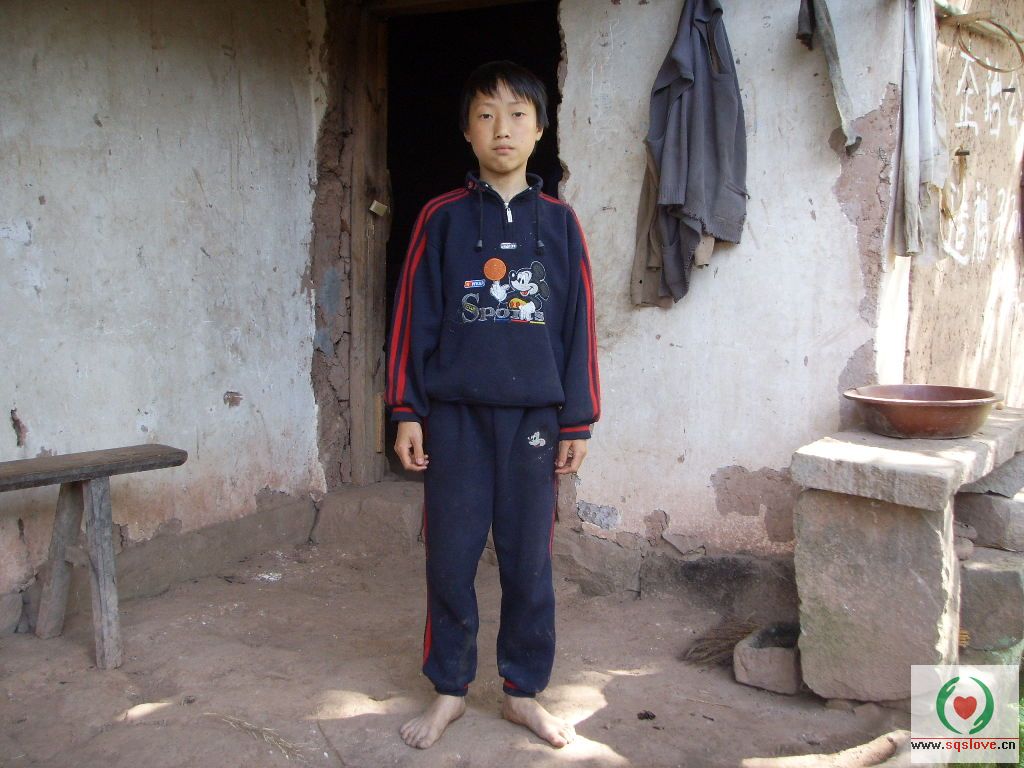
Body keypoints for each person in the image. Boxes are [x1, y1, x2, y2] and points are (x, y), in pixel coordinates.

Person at [385, 60, 600, 751]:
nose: (501, 128)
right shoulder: (441, 219)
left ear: (539, 130)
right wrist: (407, 410)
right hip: (454, 420)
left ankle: (522, 692)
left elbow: (579, 328)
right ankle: (449, 689)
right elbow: (412, 318)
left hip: (534, 421)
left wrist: (577, 419)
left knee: (528, 562)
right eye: (485, 115)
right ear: (467, 132)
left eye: (516, 114)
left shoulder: (561, 224)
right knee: (450, 557)